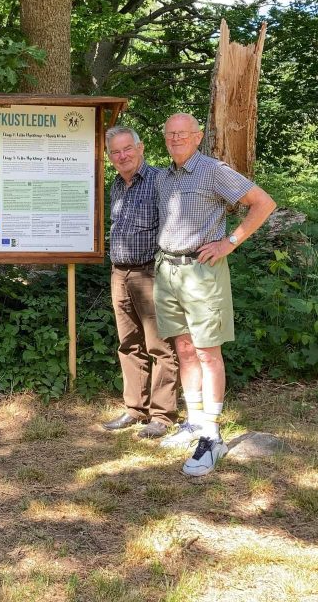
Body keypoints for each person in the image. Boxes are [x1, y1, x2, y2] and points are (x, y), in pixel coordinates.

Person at [154, 113, 276, 476]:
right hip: (168, 269)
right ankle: (193, 422)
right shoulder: (165, 177)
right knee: (185, 349)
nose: (176, 139)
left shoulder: (213, 170)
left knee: (208, 352)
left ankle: (212, 434)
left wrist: (230, 242)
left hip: (202, 272)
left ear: (198, 136)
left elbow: (263, 203)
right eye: (170, 134)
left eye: (182, 134)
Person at [102, 126, 178, 439]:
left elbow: (173, 226)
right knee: (128, 345)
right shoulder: (116, 185)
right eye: (115, 152)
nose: (122, 156)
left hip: (150, 272)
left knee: (160, 346)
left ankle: (161, 415)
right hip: (119, 273)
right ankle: (135, 409)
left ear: (140, 147)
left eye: (126, 149)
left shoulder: (160, 180)